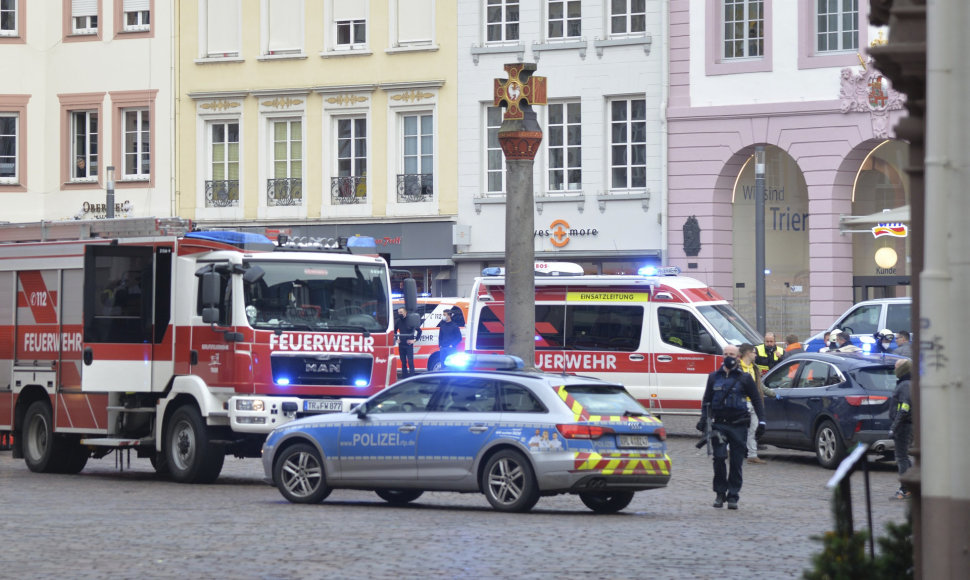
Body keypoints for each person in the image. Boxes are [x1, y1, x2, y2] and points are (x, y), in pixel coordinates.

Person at [696, 344, 766, 510]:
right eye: (726, 353)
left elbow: (756, 399)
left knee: (736, 462)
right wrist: (704, 419)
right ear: (722, 356)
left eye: (732, 354)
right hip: (719, 424)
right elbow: (707, 400)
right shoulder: (714, 377)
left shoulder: (744, 378)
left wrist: (762, 421)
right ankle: (720, 493)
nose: (729, 356)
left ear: (738, 357)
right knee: (719, 458)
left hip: (739, 425)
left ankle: (733, 495)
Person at [739, 344, 773, 465]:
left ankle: (752, 455)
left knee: (754, 428)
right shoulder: (737, 367)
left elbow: (759, 385)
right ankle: (730, 449)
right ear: (748, 353)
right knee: (738, 429)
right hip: (741, 403)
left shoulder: (755, 368)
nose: (756, 355)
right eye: (754, 352)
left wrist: (771, 393)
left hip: (754, 402)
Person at [889, 358, 913, 500]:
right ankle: (910, 486)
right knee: (904, 456)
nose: (894, 369)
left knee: (901, 457)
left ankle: (905, 489)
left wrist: (894, 427)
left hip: (904, 426)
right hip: (906, 424)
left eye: (896, 367)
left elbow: (904, 407)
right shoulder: (907, 383)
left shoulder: (904, 385)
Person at [394, 307, 421, 378]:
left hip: (409, 345)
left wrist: (414, 340)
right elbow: (394, 331)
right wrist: (396, 339)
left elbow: (419, 331)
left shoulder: (411, 320)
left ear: (405, 312)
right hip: (401, 344)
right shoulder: (398, 321)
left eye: (401, 312)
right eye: (399, 312)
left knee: (410, 362)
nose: (399, 314)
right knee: (403, 362)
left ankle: (412, 377)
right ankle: (404, 377)